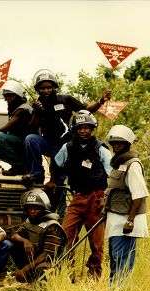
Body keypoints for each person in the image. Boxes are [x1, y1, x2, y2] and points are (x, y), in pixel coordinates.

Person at [46, 110, 112, 279]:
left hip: (97, 198)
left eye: (87, 128)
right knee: (65, 234)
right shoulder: (67, 147)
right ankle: (69, 272)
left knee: (97, 242)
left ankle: (94, 275)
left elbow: (112, 175)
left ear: (92, 129)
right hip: (77, 197)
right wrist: (53, 179)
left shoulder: (101, 149)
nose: (83, 131)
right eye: (80, 128)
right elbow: (56, 162)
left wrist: (106, 197)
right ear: (74, 130)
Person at [22, 69, 112, 186]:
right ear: (37, 89)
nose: (46, 90)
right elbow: (32, 127)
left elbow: (86, 110)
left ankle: (59, 201)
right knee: (30, 139)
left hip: (64, 143)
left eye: (49, 87)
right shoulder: (37, 103)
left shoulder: (65, 99)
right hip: (48, 142)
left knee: (58, 181)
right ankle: (37, 173)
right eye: (42, 88)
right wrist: (36, 112)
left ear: (54, 87)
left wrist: (100, 101)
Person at [104, 125, 149, 287]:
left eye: (121, 143)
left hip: (125, 224)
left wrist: (130, 221)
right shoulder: (118, 163)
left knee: (122, 262)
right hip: (115, 221)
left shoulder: (133, 164)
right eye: (114, 142)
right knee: (115, 260)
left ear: (129, 144)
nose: (116, 145)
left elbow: (139, 195)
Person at [10, 189, 67, 283]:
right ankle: (29, 277)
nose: (32, 211)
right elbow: (14, 236)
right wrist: (25, 241)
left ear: (43, 209)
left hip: (50, 262)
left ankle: (34, 278)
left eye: (36, 208)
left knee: (42, 269)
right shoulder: (30, 221)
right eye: (30, 208)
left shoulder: (51, 226)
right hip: (35, 258)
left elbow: (47, 255)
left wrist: (25, 269)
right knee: (14, 247)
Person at [0, 80, 38, 176]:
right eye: (6, 96)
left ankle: (18, 167)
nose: (7, 98)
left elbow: (6, 128)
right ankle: (20, 164)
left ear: (18, 96)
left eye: (10, 95)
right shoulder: (15, 107)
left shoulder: (22, 109)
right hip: (20, 142)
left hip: (26, 142)